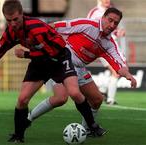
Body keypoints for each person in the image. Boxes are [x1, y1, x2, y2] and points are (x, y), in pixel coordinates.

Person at [0, 0, 102, 143]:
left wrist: (26, 54)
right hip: (40, 63)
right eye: (9, 21)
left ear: (22, 14)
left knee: (75, 93)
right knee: (22, 99)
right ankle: (18, 135)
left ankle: (93, 127)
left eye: (15, 19)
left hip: (59, 58)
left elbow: (57, 48)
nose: (13, 24)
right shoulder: (10, 32)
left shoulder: (36, 28)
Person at [15, 7, 137, 136]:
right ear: (103, 18)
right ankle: (28, 119)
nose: (112, 25)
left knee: (96, 99)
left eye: (116, 23)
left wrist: (128, 75)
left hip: (79, 68)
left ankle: (86, 130)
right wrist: (36, 37)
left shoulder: (109, 44)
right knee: (60, 98)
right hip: (63, 62)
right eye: (110, 20)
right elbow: (57, 26)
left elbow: (118, 63)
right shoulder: (87, 25)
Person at [87, 0, 126, 105]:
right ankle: (110, 99)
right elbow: (90, 28)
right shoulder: (95, 12)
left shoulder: (113, 11)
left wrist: (119, 32)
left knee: (120, 69)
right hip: (102, 46)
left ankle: (103, 90)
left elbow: (113, 29)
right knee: (117, 70)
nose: (107, 1)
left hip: (113, 46)